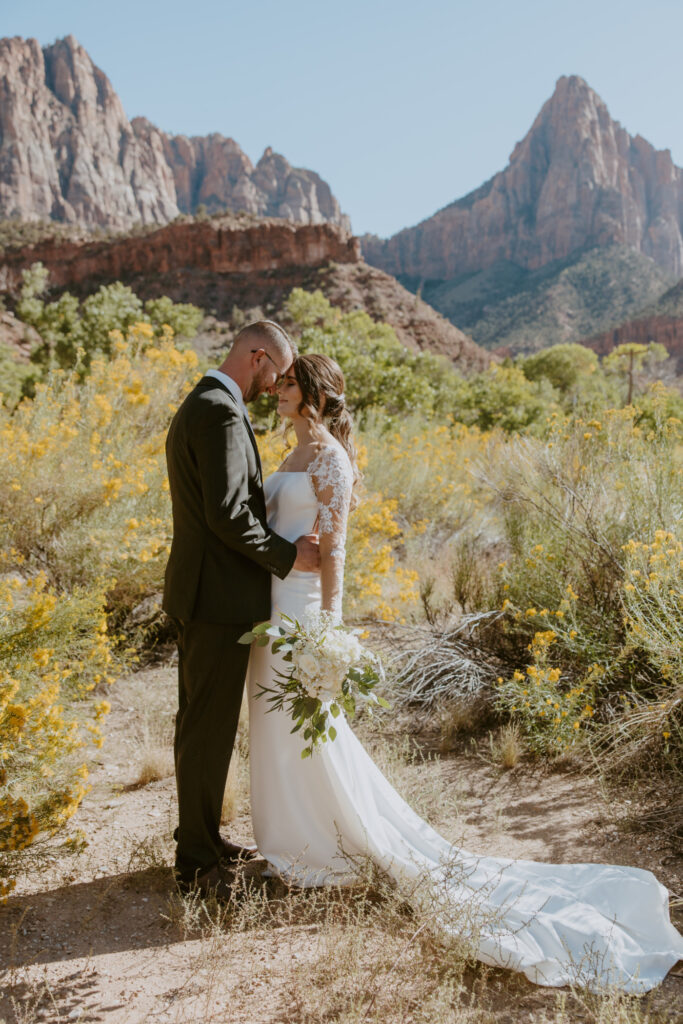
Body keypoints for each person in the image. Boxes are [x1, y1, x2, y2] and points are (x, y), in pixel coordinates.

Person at [247, 352, 683, 993]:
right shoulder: (286, 453)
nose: (278, 390)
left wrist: (332, 631)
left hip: (303, 616)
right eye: (280, 381)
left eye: (289, 383)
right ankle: (298, 841)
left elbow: (335, 550)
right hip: (271, 611)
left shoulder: (331, 461)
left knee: (307, 730)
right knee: (276, 727)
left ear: (315, 394)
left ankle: (322, 851)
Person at [163, 321, 320, 898]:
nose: (275, 385)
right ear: (258, 357)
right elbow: (229, 515)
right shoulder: (221, 411)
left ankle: (203, 838)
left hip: (206, 595)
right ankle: (196, 864)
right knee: (206, 729)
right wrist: (289, 556)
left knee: (205, 725)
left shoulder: (203, 402)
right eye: (276, 373)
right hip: (215, 600)